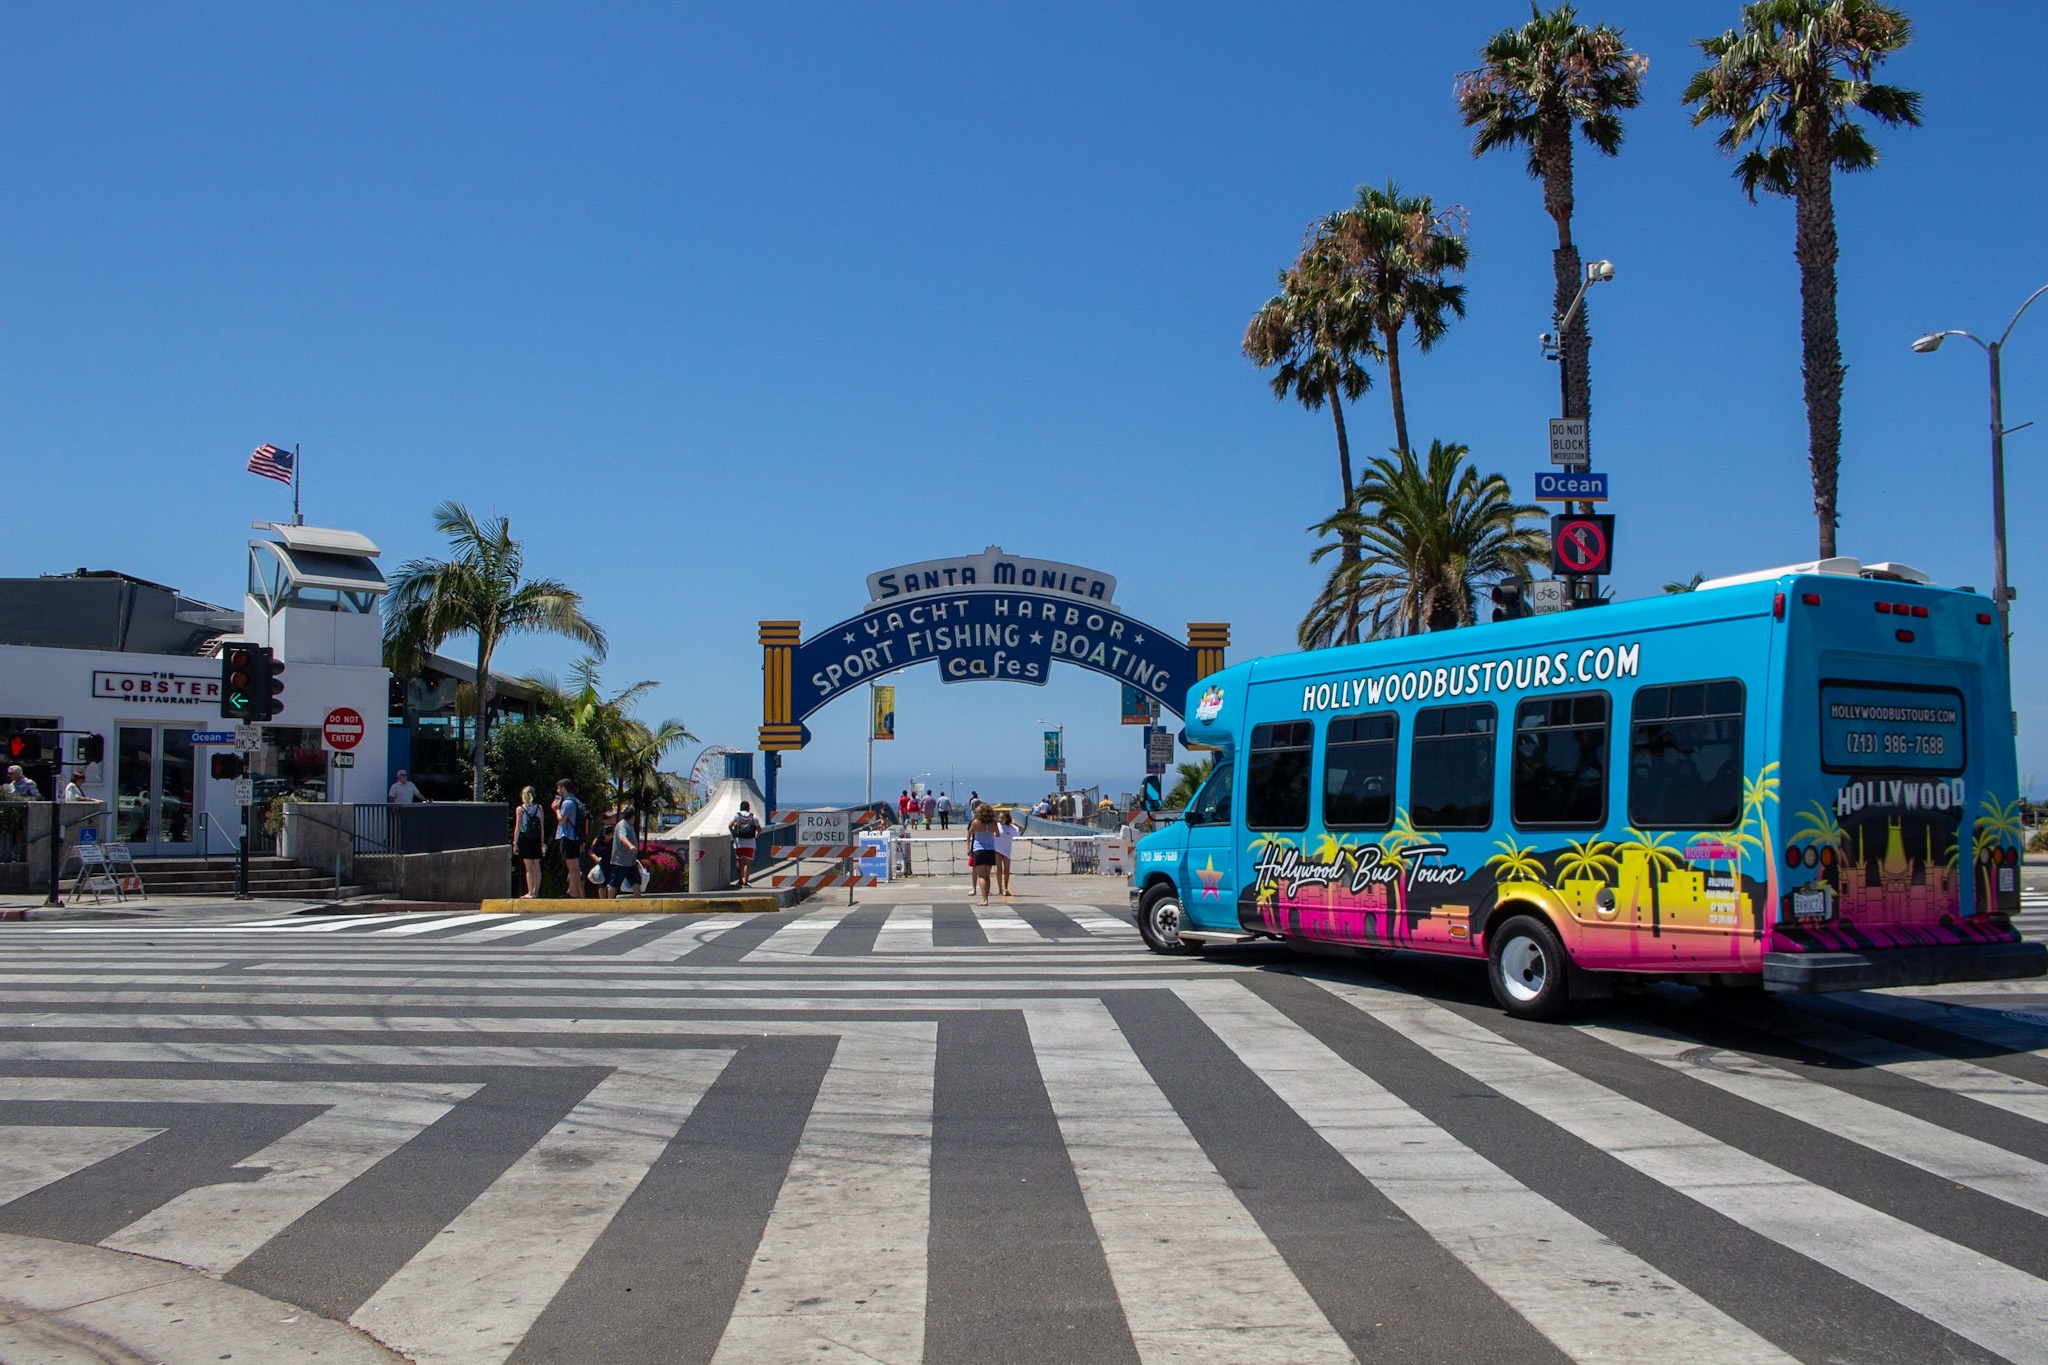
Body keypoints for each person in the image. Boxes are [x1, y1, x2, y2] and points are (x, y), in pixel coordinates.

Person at [552, 779, 585, 899]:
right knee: (575, 864)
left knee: (571, 865)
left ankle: (574, 892)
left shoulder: (567, 803)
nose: (558, 791)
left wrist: (556, 809)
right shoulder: (575, 801)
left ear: (564, 788)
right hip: (575, 837)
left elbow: (562, 819)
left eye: (559, 788)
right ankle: (573, 890)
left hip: (567, 836)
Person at [965, 804, 1000, 906]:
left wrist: (968, 848)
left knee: (981, 876)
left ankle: (984, 899)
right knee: (987, 875)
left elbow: (969, 834)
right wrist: (990, 834)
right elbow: (997, 834)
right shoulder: (993, 823)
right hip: (990, 850)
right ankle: (986, 898)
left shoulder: (976, 823)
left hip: (979, 850)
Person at [514, 786, 545, 898]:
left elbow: (518, 827)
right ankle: (536, 892)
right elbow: (542, 827)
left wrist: (515, 843)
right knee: (537, 866)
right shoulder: (539, 808)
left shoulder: (520, 809)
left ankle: (530, 891)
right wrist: (542, 843)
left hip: (525, 838)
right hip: (536, 838)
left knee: (529, 868)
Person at [603, 809, 639, 898]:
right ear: (632, 817)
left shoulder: (629, 825)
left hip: (631, 861)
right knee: (614, 883)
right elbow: (622, 837)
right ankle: (610, 902)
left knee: (636, 881)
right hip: (621, 861)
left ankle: (639, 901)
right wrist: (630, 846)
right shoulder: (622, 825)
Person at [729, 800, 761, 886]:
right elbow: (759, 828)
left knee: (740, 861)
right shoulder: (754, 817)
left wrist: (734, 835)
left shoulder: (737, 816)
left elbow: (730, 826)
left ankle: (740, 880)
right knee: (748, 863)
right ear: (749, 808)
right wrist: (756, 835)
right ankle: (746, 881)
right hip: (750, 843)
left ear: (740, 807)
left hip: (739, 842)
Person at [994, 807, 1022, 897]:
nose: (1000, 819)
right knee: (999, 870)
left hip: (1006, 850)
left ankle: (1006, 888)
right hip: (997, 850)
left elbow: (1022, 830)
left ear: (1006, 819)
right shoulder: (996, 825)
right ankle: (1000, 889)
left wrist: (1015, 823)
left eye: (1002, 818)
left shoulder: (1011, 827)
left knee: (1006, 870)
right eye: (999, 818)